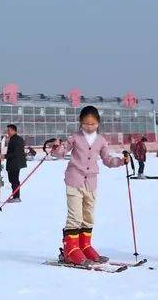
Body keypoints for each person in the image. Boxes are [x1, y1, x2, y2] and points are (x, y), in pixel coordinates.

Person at [49, 106, 128, 265]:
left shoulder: (101, 141)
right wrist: (56, 147)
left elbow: (107, 160)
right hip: (74, 180)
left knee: (88, 216)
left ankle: (84, 246)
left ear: (98, 123)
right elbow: (60, 153)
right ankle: (71, 250)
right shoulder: (75, 138)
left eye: (92, 124)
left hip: (91, 183)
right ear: (80, 123)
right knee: (75, 217)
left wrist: (121, 161)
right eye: (86, 124)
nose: (89, 127)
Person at [4, 124, 26, 202]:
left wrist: (5, 156)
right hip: (14, 163)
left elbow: (16, 152)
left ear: (14, 131)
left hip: (15, 163)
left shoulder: (16, 139)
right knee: (13, 180)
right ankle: (15, 195)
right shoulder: (14, 139)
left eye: (9, 130)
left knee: (14, 180)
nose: (8, 132)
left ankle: (16, 197)